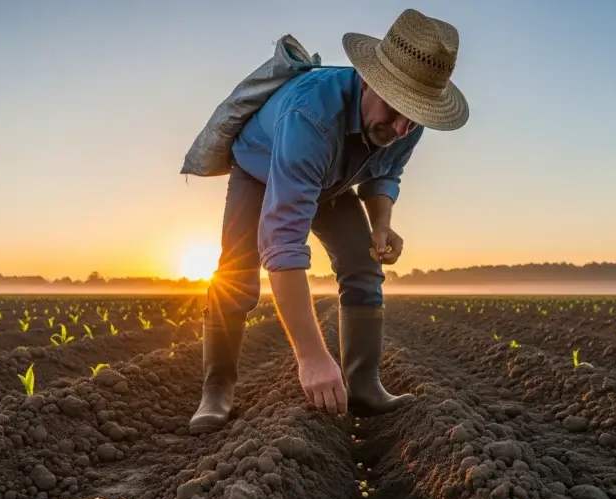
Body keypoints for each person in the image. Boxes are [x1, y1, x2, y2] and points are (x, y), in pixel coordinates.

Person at [189, 8, 469, 434]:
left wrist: (380, 222)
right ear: (369, 79)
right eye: (396, 110)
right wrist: (313, 357)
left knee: (362, 263)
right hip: (262, 170)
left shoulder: (407, 121)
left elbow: (386, 172)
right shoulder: (312, 117)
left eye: (412, 117)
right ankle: (217, 390)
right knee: (236, 277)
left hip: (330, 181)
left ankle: (364, 385)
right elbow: (283, 243)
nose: (401, 127)